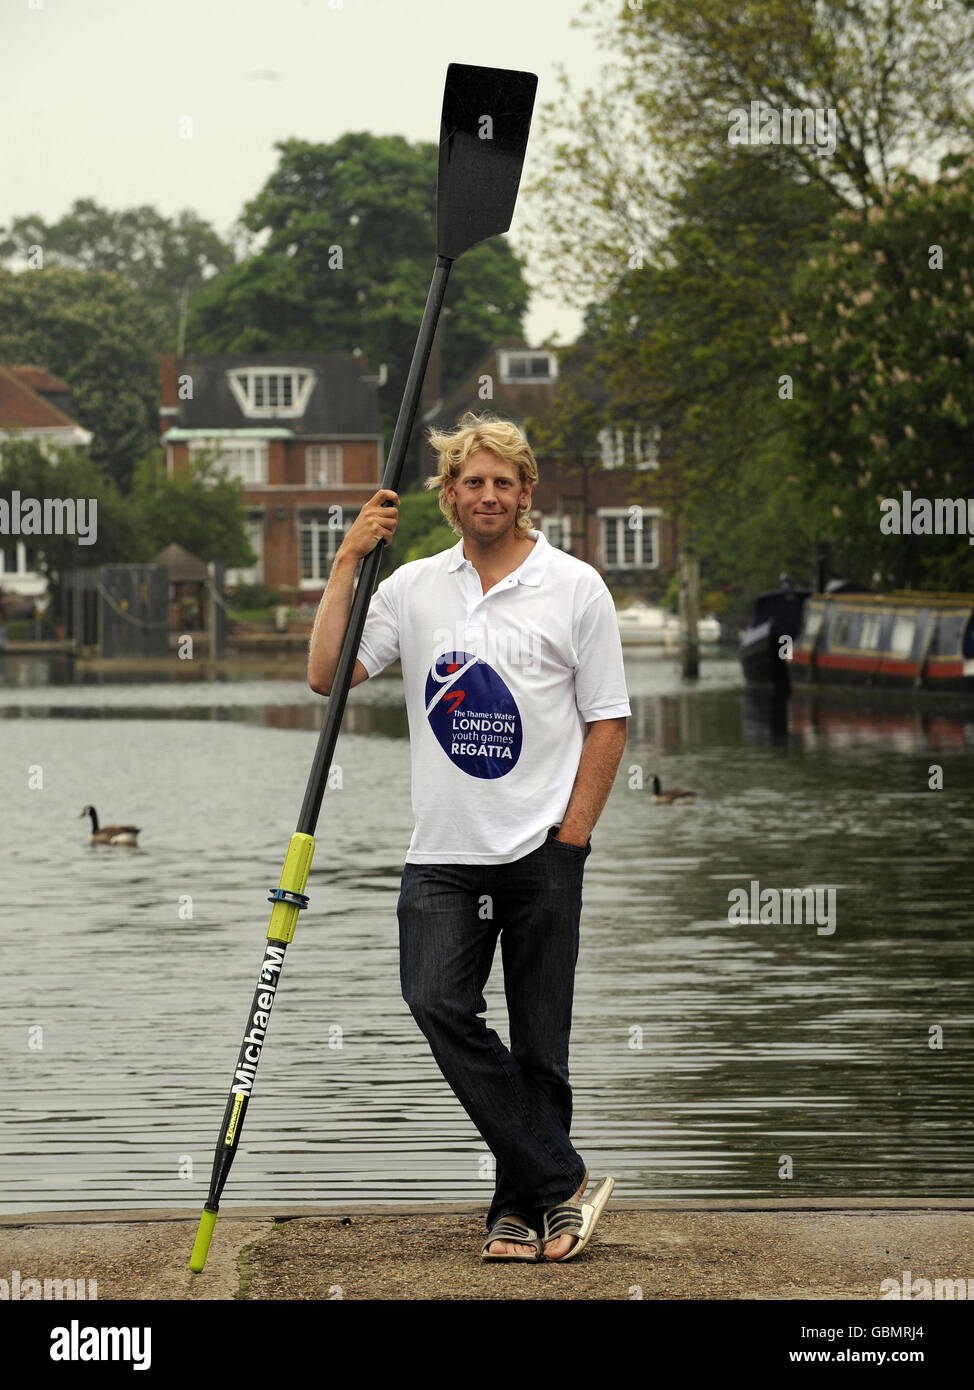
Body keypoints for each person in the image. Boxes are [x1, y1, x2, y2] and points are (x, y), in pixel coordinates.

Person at [308, 412, 630, 1261]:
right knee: (436, 1001)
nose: (487, 495)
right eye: (471, 481)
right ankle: (562, 1177)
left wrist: (573, 838)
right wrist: (348, 559)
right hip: (443, 853)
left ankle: (518, 1213)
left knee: (541, 1043)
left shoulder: (575, 587)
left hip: (542, 847)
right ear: (447, 494)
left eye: (503, 481)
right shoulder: (411, 586)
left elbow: (609, 722)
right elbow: (325, 674)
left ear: (526, 493)